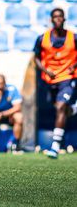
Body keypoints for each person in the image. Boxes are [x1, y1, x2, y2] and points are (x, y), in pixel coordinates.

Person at [34, 8, 77, 159]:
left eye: (60, 17)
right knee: (60, 108)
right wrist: (44, 70)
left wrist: (74, 65)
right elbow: (36, 57)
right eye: (55, 17)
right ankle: (72, 109)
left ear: (64, 19)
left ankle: (55, 146)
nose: (58, 19)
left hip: (68, 77)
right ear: (51, 20)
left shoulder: (73, 37)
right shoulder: (42, 38)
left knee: (60, 107)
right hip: (50, 80)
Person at [0, 74, 24, 154]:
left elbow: (17, 107)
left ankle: (17, 145)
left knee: (19, 117)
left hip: (9, 115)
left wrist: (2, 114)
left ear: (5, 83)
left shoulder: (12, 89)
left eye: (1, 83)